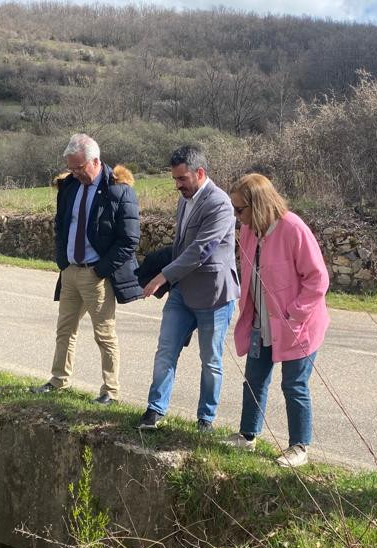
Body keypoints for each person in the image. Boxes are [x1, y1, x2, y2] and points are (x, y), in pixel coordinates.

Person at [226, 173, 329, 468]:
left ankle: (299, 447)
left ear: (258, 205)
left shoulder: (293, 228)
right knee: (254, 379)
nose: (236, 215)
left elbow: (318, 279)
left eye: (240, 209)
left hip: (298, 325)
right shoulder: (248, 231)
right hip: (262, 323)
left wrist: (294, 314)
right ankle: (248, 436)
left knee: (294, 385)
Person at [32, 133, 141, 404]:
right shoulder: (69, 187)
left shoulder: (119, 189)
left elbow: (129, 240)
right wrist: (63, 262)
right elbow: (61, 225)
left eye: (80, 167)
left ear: (95, 161)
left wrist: (101, 270)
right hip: (70, 271)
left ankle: (111, 391)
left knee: (104, 334)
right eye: (71, 167)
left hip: (97, 275)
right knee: (64, 329)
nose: (76, 172)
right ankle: (59, 380)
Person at [138, 146, 239, 431]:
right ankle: (155, 411)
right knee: (166, 350)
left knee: (211, 361)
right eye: (175, 179)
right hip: (182, 292)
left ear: (200, 173)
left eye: (182, 178)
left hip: (214, 296)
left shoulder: (220, 204)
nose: (178, 185)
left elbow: (200, 250)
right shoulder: (184, 200)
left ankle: (205, 420)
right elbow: (182, 245)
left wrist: (162, 276)